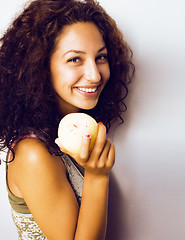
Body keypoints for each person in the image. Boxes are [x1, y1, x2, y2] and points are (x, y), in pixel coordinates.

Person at [0, 0, 134, 239]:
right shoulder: (33, 153)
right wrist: (97, 176)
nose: (94, 75)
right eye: (75, 59)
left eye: (100, 57)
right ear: (40, 65)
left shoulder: (72, 128)